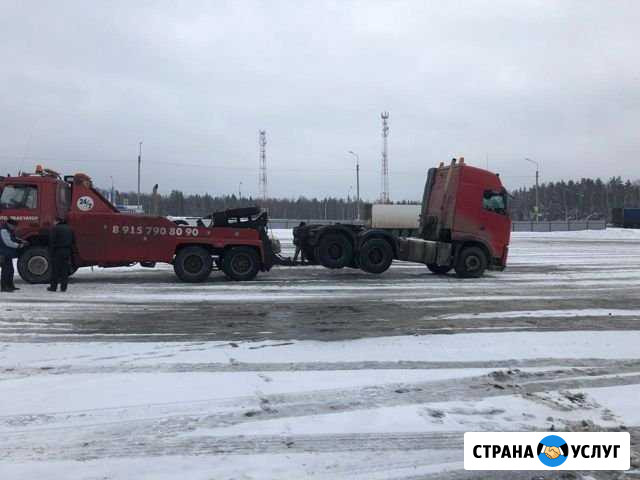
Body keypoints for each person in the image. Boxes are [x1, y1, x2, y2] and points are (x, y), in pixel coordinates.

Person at [47, 219, 75, 292]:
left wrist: (51, 252)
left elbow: (52, 241)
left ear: (57, 221)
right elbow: (73, 241)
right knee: (64, 270)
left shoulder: (55, 229)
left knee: (55, 270)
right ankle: (63, 287)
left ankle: (53, 287)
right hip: (67, 251)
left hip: (57, 251)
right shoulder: (69, 228)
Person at [0, 219, 25, 292]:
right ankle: (4, 287)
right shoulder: (4, 230)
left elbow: (13, 238)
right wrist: (18, 245)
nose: (15, 228)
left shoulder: (8, 230)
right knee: (6, 271)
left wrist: (20, 240)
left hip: (7, 254)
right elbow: (8, 242)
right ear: (10, 224)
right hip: (3, 254)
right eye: (14, 226)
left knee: (11, 270)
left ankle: (10, 285)